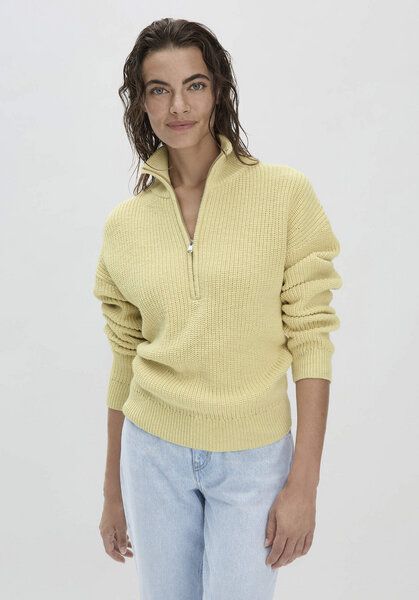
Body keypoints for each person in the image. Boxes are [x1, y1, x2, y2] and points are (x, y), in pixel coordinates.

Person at [93, 17, 343, 600]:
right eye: (160, 89)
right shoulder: (124, 225)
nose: (179, 105)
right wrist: (112, 492)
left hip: (253, 457)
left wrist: (304, 484)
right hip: (152, 453)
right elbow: (124, 358)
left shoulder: (284, 195)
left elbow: (311, 337)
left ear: (219, 90)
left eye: (195, 85)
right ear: (141, 102)